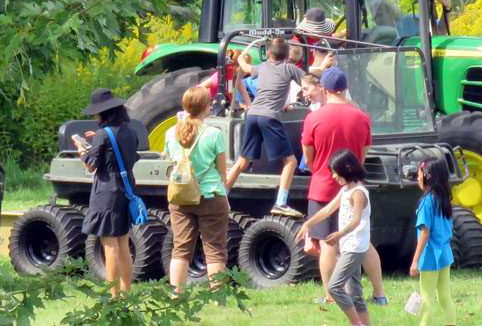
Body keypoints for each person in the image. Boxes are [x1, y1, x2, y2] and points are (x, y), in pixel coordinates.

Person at [300, 67, 386, 305]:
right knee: (362, 240)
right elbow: (363, 154)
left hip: (323, 186)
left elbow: (308, 157)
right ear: (346, 88)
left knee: (328, 241)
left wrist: (320, 168)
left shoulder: (313, 118)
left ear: (324, 90)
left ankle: (330, 294)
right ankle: (379, 294)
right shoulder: (362, 117)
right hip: (353, 188)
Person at [298, 150, 381, 326]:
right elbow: (327, 209)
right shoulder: (346, 191)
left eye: (336, 172)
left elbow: (356, 220)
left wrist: (338, 234)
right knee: (355, 294)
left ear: (348, 169)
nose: (334, 177)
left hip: (355, 247)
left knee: (334, 286)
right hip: (348, 246)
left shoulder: (359, 193)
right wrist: (308, 224)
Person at [224, 37, 304, 217]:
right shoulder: (290, 68)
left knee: (242, 161)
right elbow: (307, 82)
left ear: (268, 54)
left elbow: (245, 68)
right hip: (269, 117)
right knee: (290, 161)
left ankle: (222, 197)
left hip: (253, 115)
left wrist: (241, 59)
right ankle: (281, 202)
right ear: (287, 57)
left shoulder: (263, 67)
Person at [73, 87, 139, 297]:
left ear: (103, 112)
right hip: (125, 189)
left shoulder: (104, 134)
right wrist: (99, 140)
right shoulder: (130, 131)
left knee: (109, 245)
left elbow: (91, 166)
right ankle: (127, 292)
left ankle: (113, 295)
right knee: (123, 243)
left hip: (106, 194)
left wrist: (82, 149)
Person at [163, 86, 229, 293]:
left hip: (181, 196)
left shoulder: (170, 132)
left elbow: (169, 158)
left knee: (180, 248)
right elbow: (221, 172)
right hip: (210, 195)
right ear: (207, 107)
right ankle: (218, 297)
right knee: (215, 249)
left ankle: (176, 294)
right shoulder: (214, 134)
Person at [407, 158, 459, 326]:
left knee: (427, 298)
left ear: (427, 177)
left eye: (419, 174)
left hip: (430, 255)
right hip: (445, 253)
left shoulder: (427, 201)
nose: (417, 178)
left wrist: (415, 260)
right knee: (445, 297)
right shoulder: (444, 199)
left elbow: (425, 232)